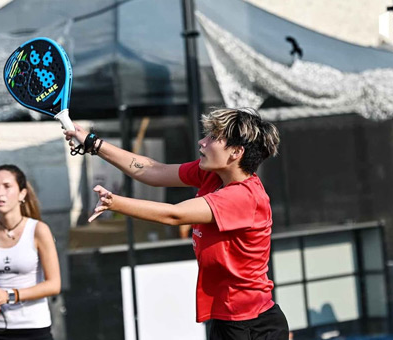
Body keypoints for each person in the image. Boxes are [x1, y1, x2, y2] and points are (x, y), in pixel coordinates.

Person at [65, 108, 289, 340]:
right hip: (228, 318)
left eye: (213, 137)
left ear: (236, 152)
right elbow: (154, 170)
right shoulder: (213, 176)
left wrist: (116, 203)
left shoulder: (244, 197)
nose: (202, 142)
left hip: (253, 324)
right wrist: (92, 142)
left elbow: (174, 215)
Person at [0, 164, 61, 340]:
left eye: (7, 186)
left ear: (22, 194)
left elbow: (54, 284)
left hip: (33, 329)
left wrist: (9, 296)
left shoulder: (38, 230)